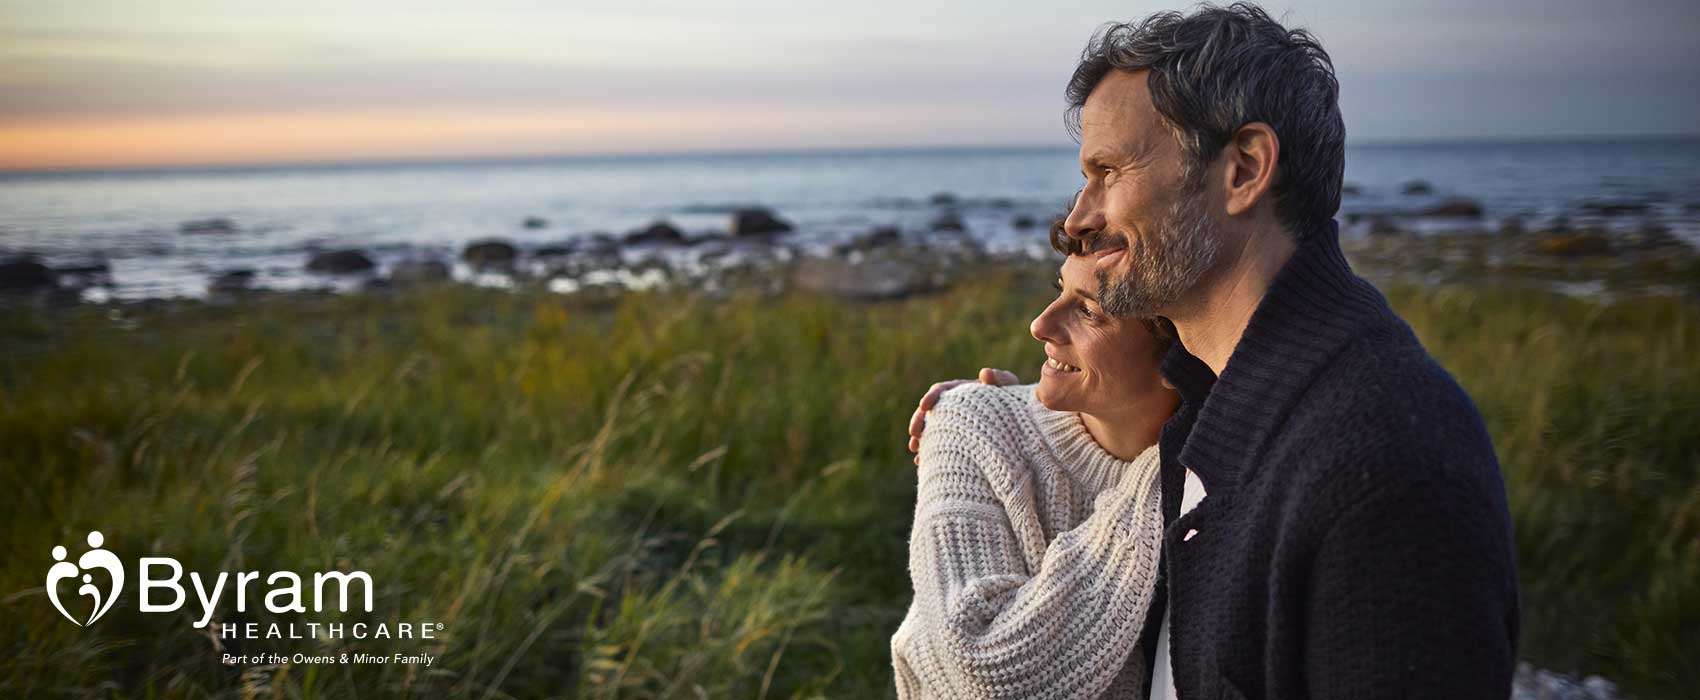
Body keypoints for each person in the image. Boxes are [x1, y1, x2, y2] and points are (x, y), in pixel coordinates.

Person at [908, 4, 1519, 699]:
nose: (1080, 216)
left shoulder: (1383, 460)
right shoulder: (1211, 406)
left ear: (1244, 170)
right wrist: (1002, 425)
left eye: (1109, 170)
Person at [890, 222, 1181, 699]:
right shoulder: (973, 421)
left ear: (1181, 359)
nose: (1040, 325)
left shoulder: (1220, 467)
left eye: (1088, 311)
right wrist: (1161, 474)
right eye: (1059, 289)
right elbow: (985, 668)